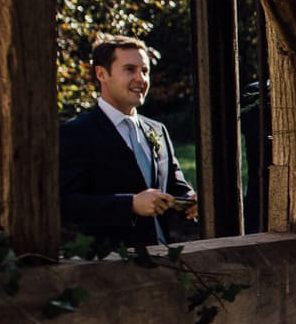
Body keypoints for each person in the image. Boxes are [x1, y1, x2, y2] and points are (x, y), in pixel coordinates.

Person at [59, 36, 197, 248]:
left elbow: (176, 186)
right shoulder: (77, 132)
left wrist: (189, 200)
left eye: (145, 71)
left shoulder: (158, 130)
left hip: (165, 260)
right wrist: (130, 204)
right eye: (130, 69)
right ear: (101, 74)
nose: (141, 79)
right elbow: (67, 204)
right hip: (111, 266)